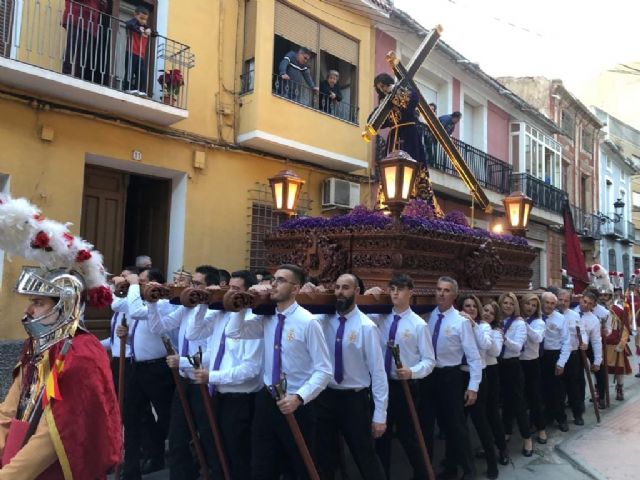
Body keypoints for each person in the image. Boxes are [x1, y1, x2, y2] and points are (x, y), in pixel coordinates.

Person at [0, 194, 121, 478]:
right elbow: (9, 409)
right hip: (18, 459)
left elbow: (54, 437)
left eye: (39, 303)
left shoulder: (83, 353)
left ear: (65, 306)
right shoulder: (37, 344)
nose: (29, 311)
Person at [226, 264, 332, 479]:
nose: (274, 284)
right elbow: (234, 331)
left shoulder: (308, 322)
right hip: (268, 399)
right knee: (262, 464)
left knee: (299, 466)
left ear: (296, 289)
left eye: (281, 280)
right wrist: (243, 302)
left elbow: (324, 370)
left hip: (296, 402)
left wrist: (299, 397)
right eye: (274, 279)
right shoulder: (267, 318)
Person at [146, 265, 220, 479]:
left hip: (203, 383)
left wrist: (183, 361)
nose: (192, 287)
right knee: (177, 438)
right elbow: (159, 327)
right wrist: (151, 305)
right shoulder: (187, 307)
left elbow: (213, 354)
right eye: (192, 283)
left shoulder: (215, 312)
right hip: (184, 382)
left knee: (208, 437)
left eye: (197, 284)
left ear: (209, 287)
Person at [188, 270, 263, 480]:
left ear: (248, 293)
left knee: (236, 454)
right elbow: (193, 334)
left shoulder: (253, 320)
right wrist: (203, 303)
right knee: (215, 451)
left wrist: (212, 376)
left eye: (236, 290)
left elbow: (250, 370)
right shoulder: (223, 314)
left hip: (240, 399)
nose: (230, 293)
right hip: (218, 395)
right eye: (229, 288)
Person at [314, 274, 387, 480]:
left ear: (356, 292)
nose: (339, 292)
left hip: (354, 401)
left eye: (345, 287)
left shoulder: (366, 327)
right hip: (326, 397)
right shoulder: (321, 321)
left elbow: (378, 373)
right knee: (323, 457)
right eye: (336, 287)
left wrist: (380, 415)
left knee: (364, 455)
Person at [367, 273, 435, 480]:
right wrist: (367, 295)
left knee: (408, 436)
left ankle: (421, 474)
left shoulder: (418, 325)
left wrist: (411, 371)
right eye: (392, 289)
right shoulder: (378, 318)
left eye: (400, 289)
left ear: (410, 292)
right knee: (381, 435)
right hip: (381, 384)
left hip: (404, 386)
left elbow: (429, 361)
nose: (395, 293)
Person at [420, 276, 481, 480]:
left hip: (450, 376)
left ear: (454, 295)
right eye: (438, 289)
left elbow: (473, 356)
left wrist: (473, 386)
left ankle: (469, 470)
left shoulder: (461, 321)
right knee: (427, 424)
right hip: (429, 376)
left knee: (455, 426)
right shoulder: (428, 318)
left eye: (446, 290)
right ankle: (429, 470)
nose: (441, 294)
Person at [121, 267, 176, 479]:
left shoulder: (162, 303)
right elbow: (119, 304)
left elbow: (135, 311)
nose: (139, 285)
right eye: (140, 282)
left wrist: (134, 285)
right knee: (132, 417)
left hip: (158, 368)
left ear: (155, 285)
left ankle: (176, 461)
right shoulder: (138, 299)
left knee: (167, 418)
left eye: (144, 282)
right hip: (137, 366)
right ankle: (131, 467)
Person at [458, 294, 499, 479]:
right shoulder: (458, 324)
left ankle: (492, 463)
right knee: (458, 424)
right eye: (467, 305)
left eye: (475, 306)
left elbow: (485, 343)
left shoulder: (483, 326)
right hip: (460, 375)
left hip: (479, 377)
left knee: (480, 422)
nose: (471, 309)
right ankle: (457, 462)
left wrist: (473, 325)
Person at [497, 292, 533, 457]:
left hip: (513, 365)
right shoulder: (499, 322)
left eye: (511, 304)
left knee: (518, 403)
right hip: (500, 366)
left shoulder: (519, 323)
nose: (508, 306)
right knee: (505, 402)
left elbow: (518, 347)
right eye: (505, 303)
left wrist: (503, 338)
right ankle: (506, 431)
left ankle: (527, 438)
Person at [479, 301, 510, 467]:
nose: (487, 314)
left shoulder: (496, 331)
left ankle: (502, 449)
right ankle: (487, 446)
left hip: (491, 372)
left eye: (491, 312)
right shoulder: (475, 326)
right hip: (476, 371)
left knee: (492, 413)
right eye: (485, 310)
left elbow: (495, 351)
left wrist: (485, 332)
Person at [539, 292, 571, 432]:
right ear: (542, 302)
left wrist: (561, 363)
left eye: (553, 303)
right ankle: (545, 417)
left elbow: (567, 342)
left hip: (553, 356)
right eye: (547, 302)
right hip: (538, 356)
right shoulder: (536, 316)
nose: (550, 306)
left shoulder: (560, 319)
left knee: (556, 391)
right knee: (541, 390)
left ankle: (561, 418)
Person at [518, 294, 547, 444]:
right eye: (528, 304)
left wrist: (525, 326)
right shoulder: (516, 320)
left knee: (535, 397)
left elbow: (537, 338)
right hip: (518, 362)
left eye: (534, 305)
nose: (530, 307)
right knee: (520, 398)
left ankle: (541, 428)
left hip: (531, 363)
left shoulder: (538, 322)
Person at [571, 289, 603, 421]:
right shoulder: (571, 313)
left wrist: (597, 360)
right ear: (581, 299)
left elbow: (596, 340)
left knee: (579, 378)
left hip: (582, 350)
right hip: (568, 349)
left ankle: (579, 408)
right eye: (584, 301)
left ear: (593, 306)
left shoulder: (594, 320)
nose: (586, 305)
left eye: (590, 304)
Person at [61, 0, 108, 82]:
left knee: (83, 53)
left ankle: (78, 76)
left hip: (90, 24)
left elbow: (102, 9)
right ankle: (66, 73)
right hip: (76, 18)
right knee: (72, 46)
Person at [605, 304, 632, 401]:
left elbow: (624, 330)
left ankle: (620, 388)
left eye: (606, 295)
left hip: (616, 346)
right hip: (603, 346)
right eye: (602, 296)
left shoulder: (617, 311)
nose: (604, 298)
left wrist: (621, 344)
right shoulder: (598, 311)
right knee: (600, 370)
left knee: (619, 369)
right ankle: (599, 390)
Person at [124, 6, 153, 95]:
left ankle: (139, 90)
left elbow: (155, 33)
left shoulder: (145, 26)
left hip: (141, 55)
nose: (143, 21)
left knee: (142, 73)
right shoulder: (132, 23)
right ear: (135, 15)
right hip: (131, 51)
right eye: (141, 18)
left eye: (145, 19)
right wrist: (138, 29)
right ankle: (126, 88)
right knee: (130, 71)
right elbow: (129, 24)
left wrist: (150, 31)